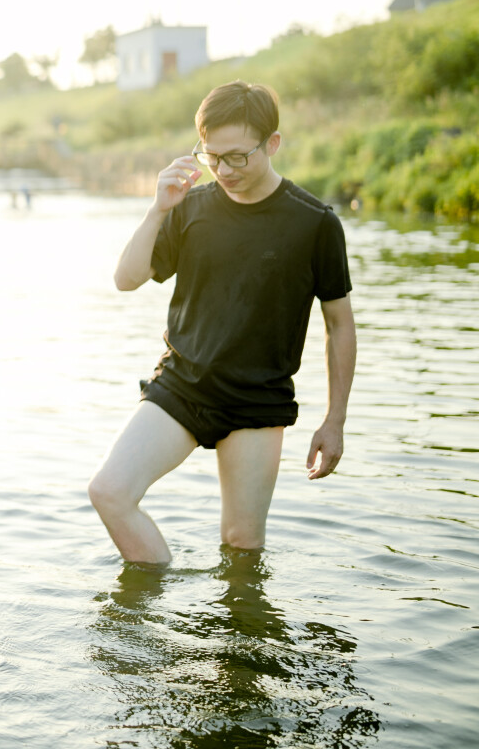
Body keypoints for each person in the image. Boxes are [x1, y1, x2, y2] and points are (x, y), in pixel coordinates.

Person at [89, 81, 356, 565]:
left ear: (272, 144)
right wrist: (157, 209)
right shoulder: (188, 209)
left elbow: (339, 324)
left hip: (258, 399)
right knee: (109, 492)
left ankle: (236, 638)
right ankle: (151, 615)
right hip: (182, 385)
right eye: (212, 157)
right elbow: (126, 280)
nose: (224, 170)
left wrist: (334, 421)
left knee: (241, 545)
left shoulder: (315, 223)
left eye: (237, 157)